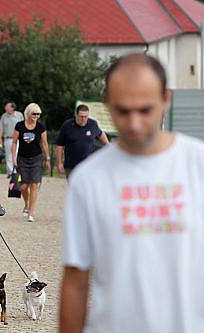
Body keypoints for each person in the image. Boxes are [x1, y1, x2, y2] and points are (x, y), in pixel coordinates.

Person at [60, 53, 204, 333]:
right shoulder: (88, 180)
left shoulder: (198, 164)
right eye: (123, 111)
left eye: (145, 110)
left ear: (166, 99)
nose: (134, 123)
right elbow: (76, 280)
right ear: (108, 107)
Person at [12, 103, 50, 222]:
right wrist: (13, 158)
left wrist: (48, 158)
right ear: (28, 113)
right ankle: (26, 204)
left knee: (34, 185)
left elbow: (44, 143)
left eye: (38, 114)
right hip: (22, 158)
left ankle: (31, 212)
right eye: (34, 113)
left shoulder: (41, 127)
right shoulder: (19, 126)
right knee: (23, 186)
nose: (36, 116)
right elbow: (14, 142)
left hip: (36, 158)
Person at [55, 104, 109, 177]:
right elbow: (59, 145)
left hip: (88, 165)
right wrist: (59, 163)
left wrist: (108, 145)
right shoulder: (67, 125)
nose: (83, 119)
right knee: (74, 187)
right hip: (71, 166)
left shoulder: (92, 124)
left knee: (87, 187)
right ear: (76, 115)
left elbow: (100, 133)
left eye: (85, 116)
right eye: (81, 116)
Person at [0, 101, 24, 176]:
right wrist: (0, 138)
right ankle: (10, 172)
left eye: (7, 106)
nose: (5, 108)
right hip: (8, 138)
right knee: (8, 155)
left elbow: (23, 126)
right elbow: (1, 128)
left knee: (16, 154)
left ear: (12, 108)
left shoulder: (19, 115)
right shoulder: (4, 116)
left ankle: (16, 170)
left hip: (17, 139)